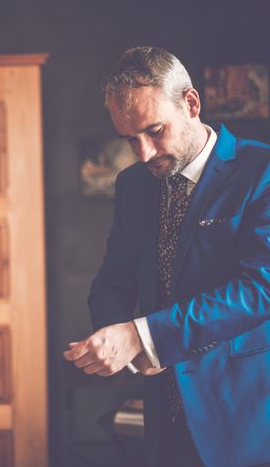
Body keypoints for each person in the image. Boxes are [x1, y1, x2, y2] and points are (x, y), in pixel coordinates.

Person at [63, 46, 270, 467]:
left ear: (191, 103)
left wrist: (143, 337)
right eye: (128, 138)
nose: (143, 153)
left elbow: (259, 289)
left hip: (242, 416)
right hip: (162, 416)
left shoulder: (260, 171)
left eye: (155, 130)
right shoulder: (133, 185)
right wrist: (115, 340)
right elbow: (113, 279)